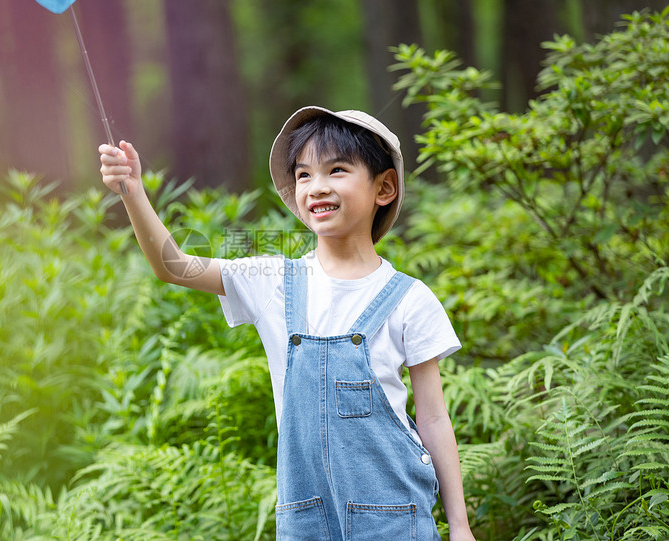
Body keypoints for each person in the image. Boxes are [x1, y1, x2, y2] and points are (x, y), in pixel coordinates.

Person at [99, 106, 476, 541]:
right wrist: (132, 191)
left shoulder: (410, 299)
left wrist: (460, 527)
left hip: (394, 515)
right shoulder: (273, 281)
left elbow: (432, 420)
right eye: (303, 175)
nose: (317, 187)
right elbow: (173, 265)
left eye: (336, 170)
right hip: (306, 517)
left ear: (384, 187)